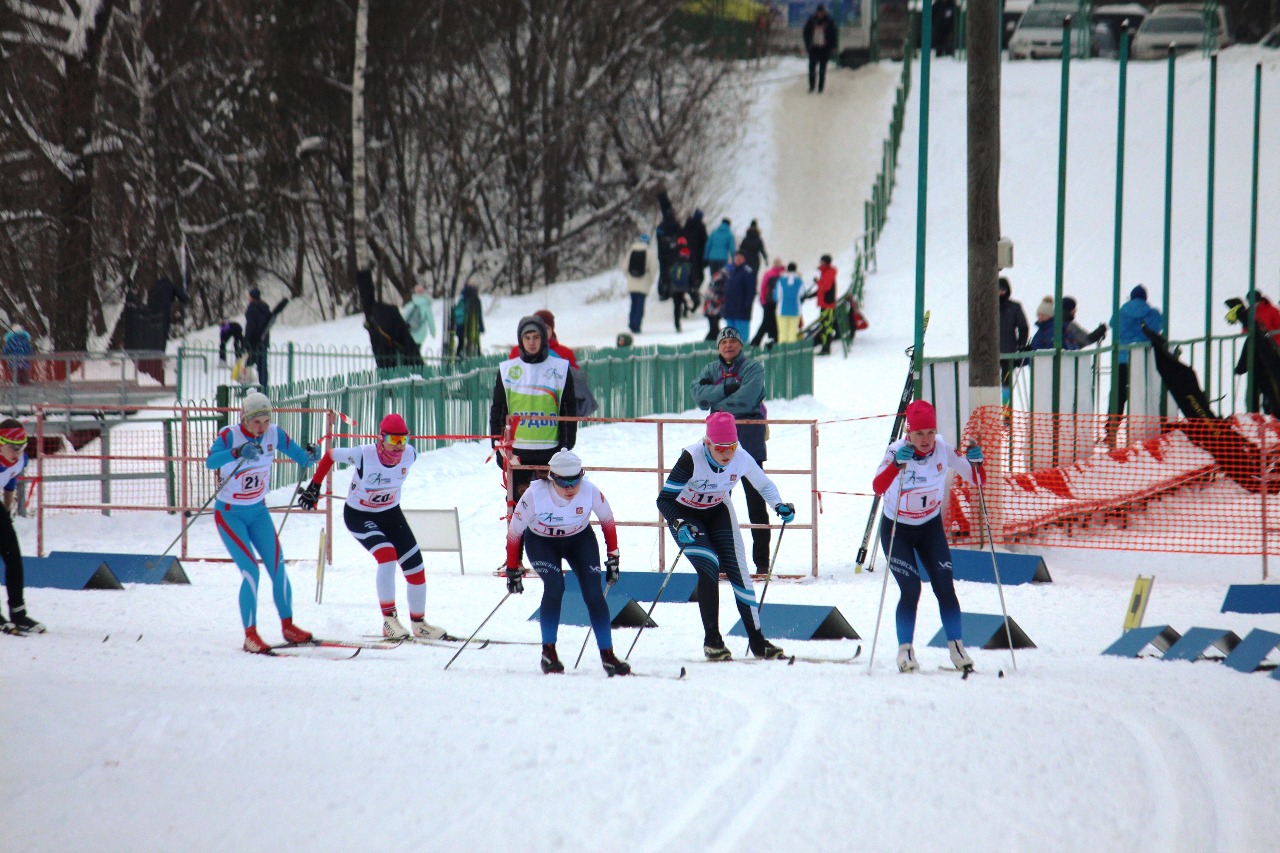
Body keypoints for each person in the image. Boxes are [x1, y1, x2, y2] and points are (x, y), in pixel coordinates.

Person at [297, 413, 449, 641]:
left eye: (403, 440)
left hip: (390, 514)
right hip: (359, 515)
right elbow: (330, 455)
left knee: (415, 565)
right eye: (393, 441)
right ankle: (389, 621)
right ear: (381, 438)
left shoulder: (411, 455)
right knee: (387, 556)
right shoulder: (362, 455)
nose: (398, 448)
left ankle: (419, 624)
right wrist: (314, 486)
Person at [656, 412, 794, 661]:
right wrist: (679, 523)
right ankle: (713, 641)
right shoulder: (692, 458)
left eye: (731, 446)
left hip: (718, 512)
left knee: (739, 572)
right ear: (707, 443)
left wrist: (778, 505)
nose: (727, 454)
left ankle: (758, 641)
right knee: (709, 564)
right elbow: (664, 499)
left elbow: (763, 484)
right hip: (686, 516)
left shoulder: (740, 457)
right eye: (721, 448)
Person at [871, 400, 985, 674]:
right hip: (898, 530)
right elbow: (877, 487)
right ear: (908, 433)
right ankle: (905, 651)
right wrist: (896, 465)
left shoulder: (943, 448)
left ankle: (957, 648)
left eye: (930, 432)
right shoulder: (897, 450)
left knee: (945, 588)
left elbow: (977, 480)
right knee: (911, 589)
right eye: (919, 433)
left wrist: (978, 462)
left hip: (930, 529)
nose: (925, 440)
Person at [205, 392, 323, 653]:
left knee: (277, 567)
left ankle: (288, 626)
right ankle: (250, 635)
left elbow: (303, 458)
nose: (261, 428)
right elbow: (210, 461)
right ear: (244, 418)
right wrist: (236, 452)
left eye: (266, 420)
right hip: (230, 514)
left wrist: (313, 454)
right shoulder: (230, 435)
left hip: (258, 512)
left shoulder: (275, 435)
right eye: (256, 422)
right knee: (251, 571)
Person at [504, 448, 630, 676]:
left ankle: (608, 655)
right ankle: (548, 652)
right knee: (555, 587)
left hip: (579, 540)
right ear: (552, 479)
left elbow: (608, 521)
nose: (571, 488)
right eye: (564, 483)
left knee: (594, 592)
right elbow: (514, 532)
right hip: (542, 543)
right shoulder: (534, 495)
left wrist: (613, 558)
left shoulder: (589, 491)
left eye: (576, 481)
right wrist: (513, 567)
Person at [490, 315, 578, 557]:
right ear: (520, 340)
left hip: (550, 451)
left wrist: (566, 448)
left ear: (544, 338)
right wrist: (499, 448)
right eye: (526, 338)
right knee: (518, 508)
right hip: (518, 453)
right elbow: (499, 410)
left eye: (536, 337)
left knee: (552, 507)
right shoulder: (508, 370)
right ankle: (514, 559)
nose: (531, 342)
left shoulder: (559, 369)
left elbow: (569, 409)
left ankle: (550, 556)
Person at [692, 327, 773, 575]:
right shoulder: (710, 369)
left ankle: (761, 563)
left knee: (756, 501)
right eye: (723, 342)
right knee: (717, 502)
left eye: (733, 341)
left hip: (749, 438)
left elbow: (747, 400)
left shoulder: (753, 368)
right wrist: (726, 389)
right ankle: (723, 563)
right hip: (717, 445)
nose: (728, 345)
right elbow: (698, 396)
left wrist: (716, 402)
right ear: (718, 347)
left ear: (740, 345)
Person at [0, 419, 43, 634]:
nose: (17, 453)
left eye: (21, 448)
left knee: (13, 557)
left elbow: (9, 484)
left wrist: (6, 514)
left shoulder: (20, 461)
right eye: (12, 448)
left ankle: (18, 613)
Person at [1111, 285, 1164, 443]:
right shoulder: (1152, 313)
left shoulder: (1121, 312)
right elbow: (1158, 327)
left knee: (1118, 393)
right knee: (1143, 393)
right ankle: (1140, 431)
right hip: (1142, 360)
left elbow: (1113, 324)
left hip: (1122, 359)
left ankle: (1111, 430)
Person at [508, 309, 578, 368]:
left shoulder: (565, 353)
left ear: (552, 329)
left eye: (546, 328)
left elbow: (575, 380)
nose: (543, 332)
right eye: (539, 328)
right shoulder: (517, 351)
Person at [998, 277, 1029, 403]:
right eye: (998, 290)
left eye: (1002, 290)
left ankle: (1006, 415)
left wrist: (1021, 344)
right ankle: (993, 413)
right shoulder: (987, 306)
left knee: (1006, 384)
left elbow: (1023, 327)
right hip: (989, 354)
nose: (1000, 293)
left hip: (1008, 353)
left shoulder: (1014, 307)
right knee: (991, 385)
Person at [722, 250, 756, 341]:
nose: (737, 259)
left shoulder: (747, 272)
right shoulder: (732, 271)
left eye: (740, 257)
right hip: (730, 309)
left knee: (742, 337)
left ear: (744, 259)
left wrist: (747, 305)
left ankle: (743, 352)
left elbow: (751, 291)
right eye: (736, 257)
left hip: (741, 310)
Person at [623, 233, 654, 334]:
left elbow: (625, 267)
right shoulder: (649, 252)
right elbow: (653, 268)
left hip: (632, 283)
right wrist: (651, 280)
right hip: (643, 283)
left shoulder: (631, 251)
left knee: (633, 304)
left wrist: (628, 277)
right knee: (640, 305)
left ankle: (632, 323)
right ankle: (637, 325)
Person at [803, 4, 837, 94]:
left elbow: (833, 34)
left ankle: (820, 88)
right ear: (817, 12)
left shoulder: (829, 21)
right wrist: (807, 45)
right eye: (819, 12)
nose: (820, 14)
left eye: (822, 12)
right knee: (812, 68)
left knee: (822, 69)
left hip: (824, 49)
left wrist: (833, 46)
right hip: (814, 48)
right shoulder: (811, 20)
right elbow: (806, 33)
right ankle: (811, 86)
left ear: (824, 12)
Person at [750, 257, 784, 348]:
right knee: (768, 322)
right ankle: (769, 340)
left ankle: (757, 342)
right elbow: (763, 287)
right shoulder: (770, 274)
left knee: (768, 322)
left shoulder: (782, 274)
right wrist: (763, 299)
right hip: (769, 302)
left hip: (777, 303)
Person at [243, 288, 272, 389]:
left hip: (253, 342)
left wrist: (245, 341)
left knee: (246, 364)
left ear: (251, 297)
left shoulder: (252, 309)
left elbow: (250, 327)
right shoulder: (265, 309)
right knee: (262, 366)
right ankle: (264, 387)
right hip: (263, 341)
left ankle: (246, 388)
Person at [809, 254, 838, 355]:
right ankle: (824, 345)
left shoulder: (829, 272)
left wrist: (817, 282)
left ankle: (826, 348)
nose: (820, 264)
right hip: (825, 303)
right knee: (824, 325)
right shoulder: (825, 272)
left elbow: (825, 287)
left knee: (826, 326)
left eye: (822, 262)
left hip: (827, 304)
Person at [682, 208, 709, 306]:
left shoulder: (687, 225)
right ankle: (694, 293)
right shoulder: (701, 227)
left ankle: (689, 294)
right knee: (699, 277)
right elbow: (704, 243)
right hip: (697, 258)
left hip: (685, 256)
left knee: (688, 277)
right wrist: (705, 260)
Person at [775, 263, 805, 344]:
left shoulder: (781, 280)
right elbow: (802, 293)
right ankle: (791, 351)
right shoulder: (800, 281)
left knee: (782, 332)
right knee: (792, 332)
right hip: (795, 309)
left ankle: (782, 351)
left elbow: (777, 296)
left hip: (782, 310)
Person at [669, 240, 695, 332]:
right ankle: (686, 310)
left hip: (675, 287)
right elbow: (691, 277)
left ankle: (677, 323)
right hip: (684, 287)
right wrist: (692, 286)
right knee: (685, 300)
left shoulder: (674, 263)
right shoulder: (688, 265)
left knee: (676, 305)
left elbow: (670, 275)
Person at [452, 283, 485, 357]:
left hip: (460, 325)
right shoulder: (475, 300)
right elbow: (479, 314)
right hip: (471, 326)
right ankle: (476, 356)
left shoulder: (462, 298)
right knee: (474, 341)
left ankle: (458, 357)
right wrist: (481, 327)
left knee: (461, 342)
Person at [402, 284, 436, 353]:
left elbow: (404, 317)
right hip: (421, 333)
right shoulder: (426, 306)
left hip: (411, 331)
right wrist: (433, 332)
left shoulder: (411, 304)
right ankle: (416, 362)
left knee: (410, 351)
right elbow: (430, 320)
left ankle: (410, 362)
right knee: (417, 350)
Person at [702, 267, 727, 341]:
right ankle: (706, 345)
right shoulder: (722, 280)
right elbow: (717, 297)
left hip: (711, 309)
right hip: (713, 310)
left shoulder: (716, 278)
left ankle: (717, 344)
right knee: (714, 330)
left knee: (714, 329)